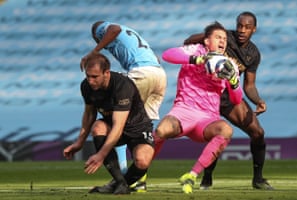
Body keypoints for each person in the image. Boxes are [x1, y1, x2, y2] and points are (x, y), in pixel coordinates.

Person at [183, 11, 273, 190]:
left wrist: (258, 100)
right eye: (240, 25)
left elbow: (249, 86)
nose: (242, 30)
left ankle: (258, 179)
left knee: (258, 133)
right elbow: (188, 41)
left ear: (254, 30)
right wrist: (209, 36)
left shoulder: (253, 53)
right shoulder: (224, 37)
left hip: (229, 96)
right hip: (207, 94)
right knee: (217, 134)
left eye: (247, 27)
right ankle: (207, 178)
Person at [153, 21, 243, 194]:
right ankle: (139, 175)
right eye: (218, 37)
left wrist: (233, 82)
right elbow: (167, 55)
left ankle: (192, 175)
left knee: (225, 130)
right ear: (207, 41)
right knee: (161, 131)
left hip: (207, 119)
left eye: (224, 38)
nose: (222, 41)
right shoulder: (196, 50)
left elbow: (236, 100)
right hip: (183, 112)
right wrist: (198, 59)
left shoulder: (229, 65)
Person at [80, 20, 167, 191]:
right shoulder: (132, 36)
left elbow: (114, 29)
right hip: (158, 74)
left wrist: (94, 51)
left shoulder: (102, 28)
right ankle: (138, 179)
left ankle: (121, 175)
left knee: (119, 118)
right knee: (142, 122)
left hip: (141, 72)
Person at [63, 53, 155, 195]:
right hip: (112, 125)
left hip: (137, 127)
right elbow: (89, 114)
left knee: (142, 161)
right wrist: (80, 142)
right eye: (88, 76)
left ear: (106, 73)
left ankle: (116, 185)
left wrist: (100, 155)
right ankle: (120, 183)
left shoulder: (122, 86)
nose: (90, 81)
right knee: (98, 127)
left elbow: (118, 126)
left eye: (95, 77)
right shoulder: (86, 87)